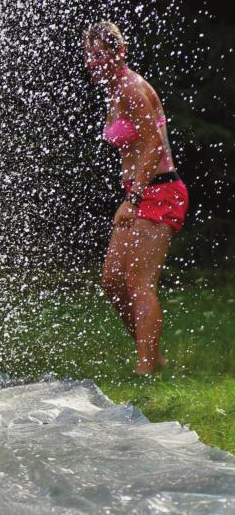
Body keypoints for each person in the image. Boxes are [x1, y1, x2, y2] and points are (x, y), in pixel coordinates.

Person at [83, 21, 189, 375]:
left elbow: (154, 143)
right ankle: (152, 353)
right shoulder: (114, 90)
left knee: (139, 283)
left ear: (120, 52)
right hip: (141, 192)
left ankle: (146, 369)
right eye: (90, 55)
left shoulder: (130, 88)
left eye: (101, 54)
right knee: (112, 280)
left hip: (158, 191)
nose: (94, 61)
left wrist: (133, 198)